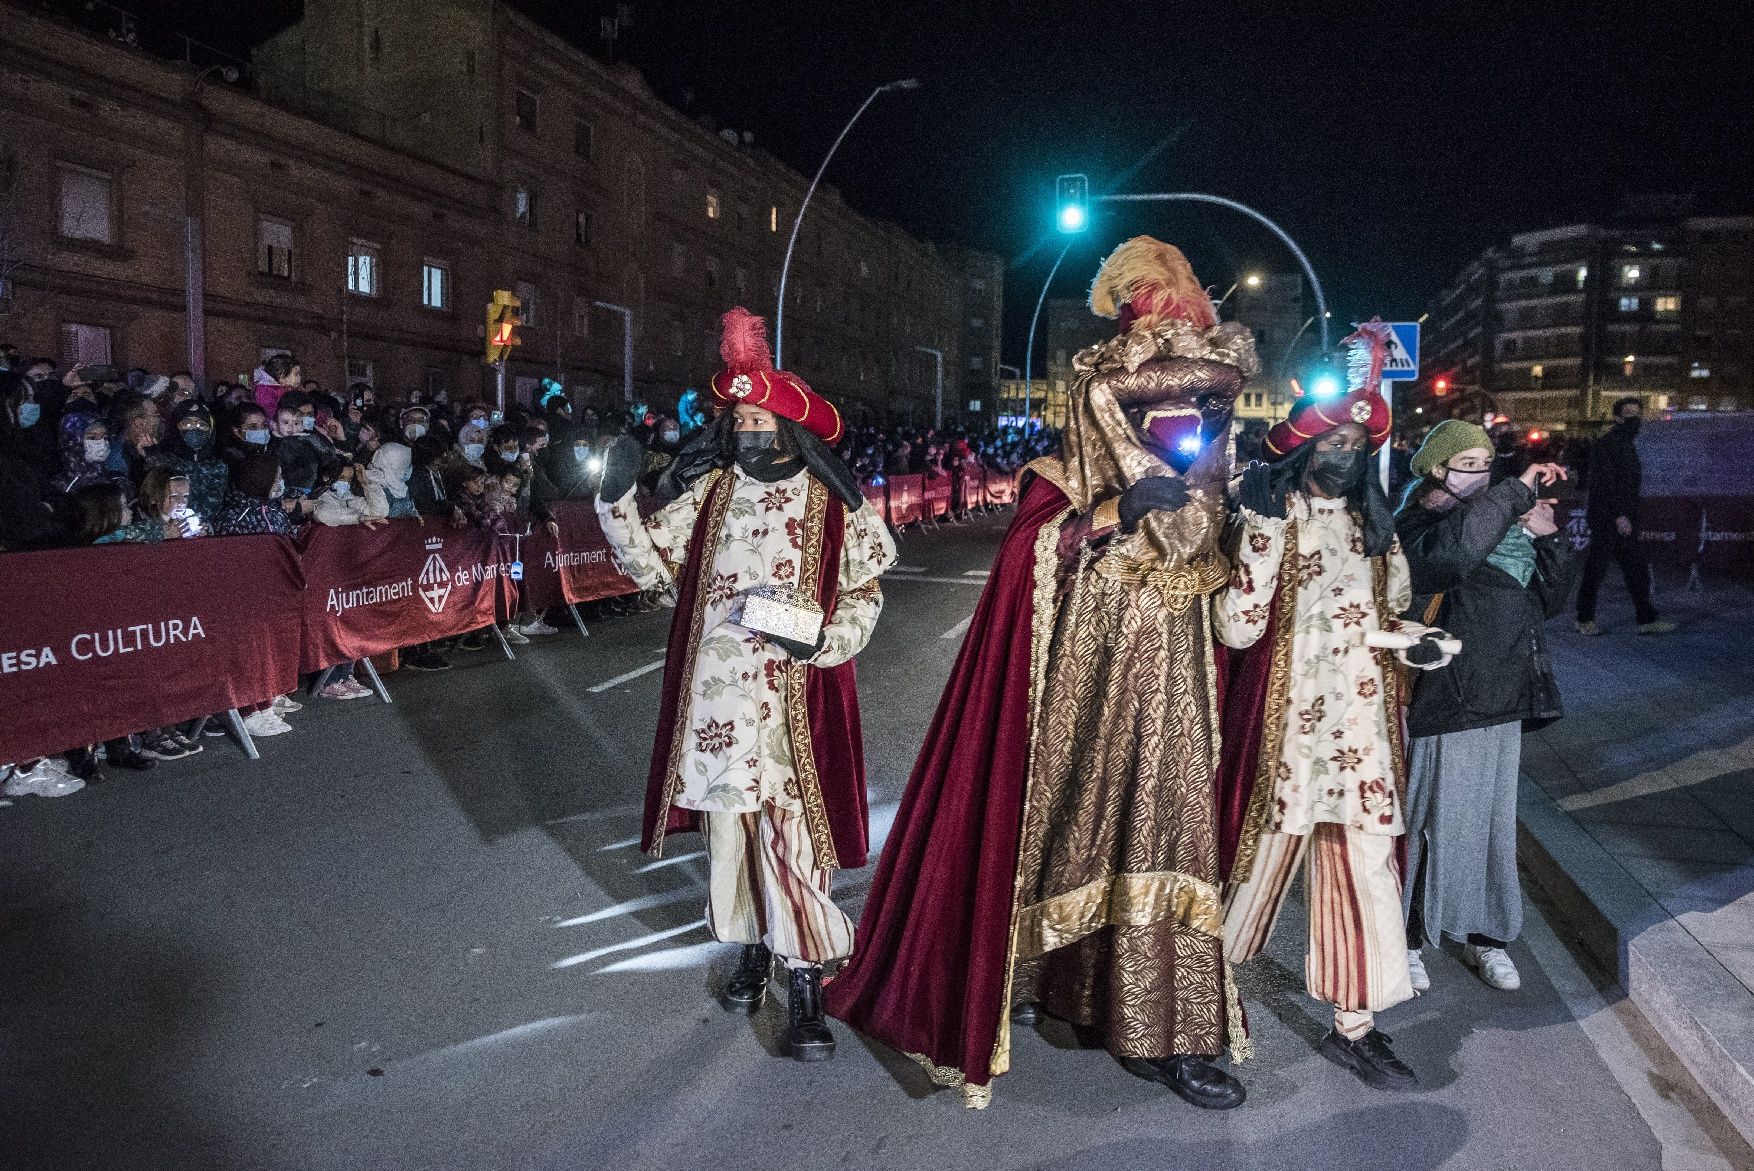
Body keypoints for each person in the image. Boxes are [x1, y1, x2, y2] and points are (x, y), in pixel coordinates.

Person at [829, 238, 1256, 1109]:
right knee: (1060, 819)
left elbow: (1233, 572)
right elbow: (1036, 554)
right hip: (1082, 672)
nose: (1177, 412)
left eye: (1190, 397)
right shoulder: (1056, 478)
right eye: (1158, 395)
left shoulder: (1215, 476)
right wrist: (1104, 513)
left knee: (1164, 827)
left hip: (1172, 670)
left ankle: (1158, 1027)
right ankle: (1034, 980)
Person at [596, 308, 895, 1062]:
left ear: (791, 425)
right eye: (743, 417)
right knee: (732, 838)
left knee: (796, 845)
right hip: (721, 705)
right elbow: (653, 567)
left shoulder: (831, 502)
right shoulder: (712, 492)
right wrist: (616, 501)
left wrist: (826, 638)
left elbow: (865, 593)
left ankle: (804, 983)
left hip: (797, 701)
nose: (752, 427)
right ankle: (754, 948)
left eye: (764, 416)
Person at [1214, 319, 1452, 1093]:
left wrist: (1414, 642)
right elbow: (1236, 625)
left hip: (1363, 731)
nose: (1342, 455)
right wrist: (1258, 534)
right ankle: (1193, 996)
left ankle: (1359, 1025)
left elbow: (1393, 613)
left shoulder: (1377, 531)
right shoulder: (1270, 518)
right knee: (1249, 867)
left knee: (1365, 874)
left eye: (1355, 446)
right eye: (1330, 443)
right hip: (1285, 732)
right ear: (1300, 449)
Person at [1395, 421, 1579, 993]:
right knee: (1429, 820)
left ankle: (1486, 934)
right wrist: (1515, 493)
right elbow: (1452, 558)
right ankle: (1407, 936)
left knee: (1490, 826)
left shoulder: (1504, 521)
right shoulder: (1421, 522)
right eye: (1465, 463)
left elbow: (1548, 601)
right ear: (1436, 469)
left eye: (1485, 462)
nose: (1479, 473)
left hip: (1505, 696)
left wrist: (1547, 536)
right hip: (1448, 694)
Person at [1576, 396, 1674, 636]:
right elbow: (1605, 483)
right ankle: (1584, 618)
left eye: (1637, 413)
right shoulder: (1607, 444)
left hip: (1625, 517)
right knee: (1596, 569)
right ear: (1617, 418)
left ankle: (1646, 619)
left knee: (1635, 569)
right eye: (1628, 413)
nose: (1634, 418)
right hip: (1607, 518)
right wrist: (1619, 515)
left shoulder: (1628, 444)